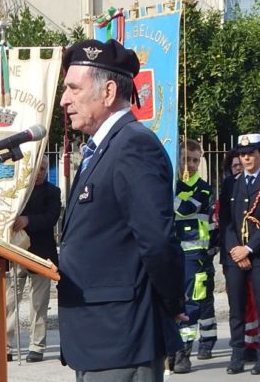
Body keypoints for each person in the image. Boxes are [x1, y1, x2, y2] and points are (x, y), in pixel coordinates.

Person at [57, 38, 184, 381]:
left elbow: (157, 241)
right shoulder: (102, 149)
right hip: (98, 336)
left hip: (122, 334)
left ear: (108, 91)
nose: (64, 100)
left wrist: (171, 304)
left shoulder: (133, 145)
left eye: (72, 88)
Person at [218, 133, 260, 375]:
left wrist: (249, 248)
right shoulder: (231, 183)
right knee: (236, 306)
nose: (246, 158)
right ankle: (237, 354)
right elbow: (225, 220)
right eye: (242, 154)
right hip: (234, 254)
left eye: (251, 153)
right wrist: (237, 249)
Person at [6, 155, 61, 363]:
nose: (40, 173)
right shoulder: (19, 190)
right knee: (10, 301)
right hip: (17, 250)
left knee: (39, 302)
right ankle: (6, 344)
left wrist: (28, 220)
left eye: (44, 169)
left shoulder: (53, 192)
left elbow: (52, 217)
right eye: (37, 169)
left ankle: (37, 345)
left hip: (41, 253)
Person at [171, 139, 216, 374]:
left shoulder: (204, 188)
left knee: (191, 301)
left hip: (193, 255)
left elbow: (185, 209)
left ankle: (183, 352)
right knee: (169, 300)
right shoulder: (172, 183)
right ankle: (170, 347)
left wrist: (167, 192)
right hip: (170, 253)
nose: (190, 164)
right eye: (186, 159)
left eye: (195, 160)